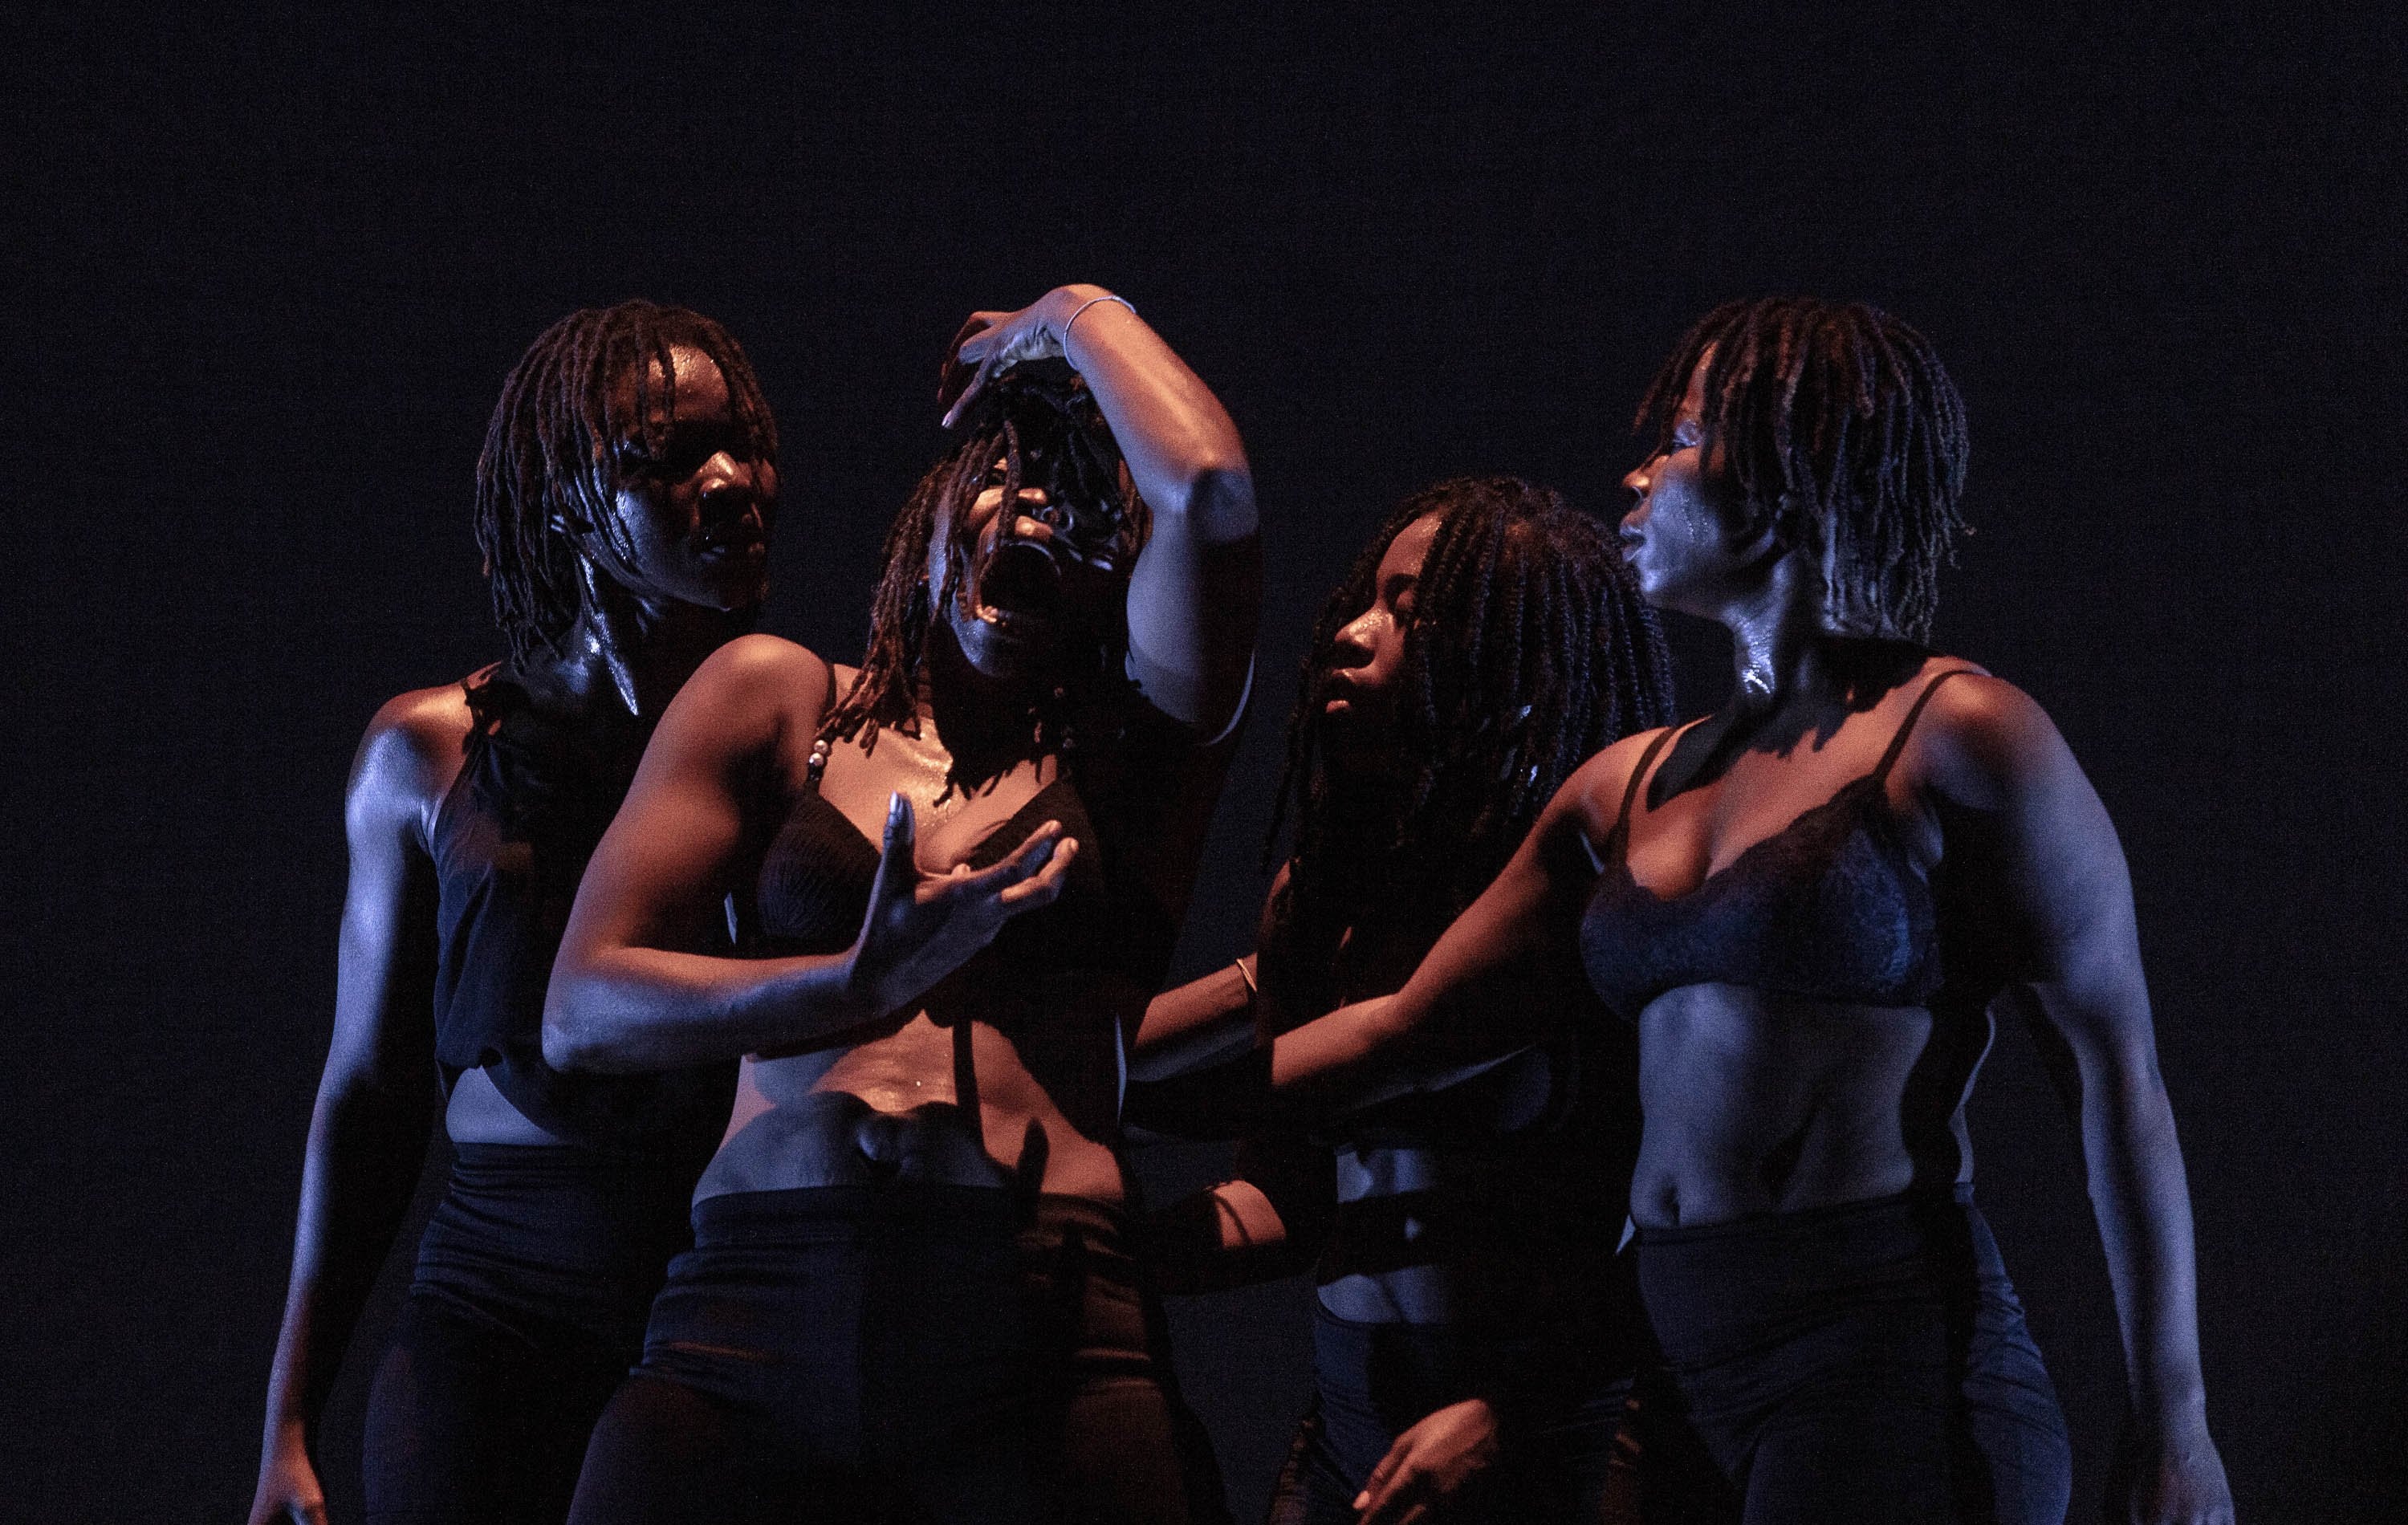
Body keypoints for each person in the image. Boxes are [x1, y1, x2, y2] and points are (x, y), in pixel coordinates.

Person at [1227, 299, 2235, 1523]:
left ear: (1788, 468)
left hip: (1880, 1364)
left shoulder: (1962, 738)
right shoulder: (1629, 786)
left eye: (1686, 438)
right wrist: (1087, 1090)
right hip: (1674, 1374)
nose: (1637, 474)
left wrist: (2173, 1422)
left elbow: (2116, 1080)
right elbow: (1399, 1032)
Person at [546, 284, 1259, 1525]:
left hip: (1035, 1324)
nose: (1036, 513)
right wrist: (854, 986)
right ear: (937, 509)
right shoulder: (776, 698)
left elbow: (1210, 493)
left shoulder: (1135, 756)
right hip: (755, 1306)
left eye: (1086, 512)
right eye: (1007, 482)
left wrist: (1064, 317)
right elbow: (584, 1005)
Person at [247, 301, 782, 1525]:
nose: (731, 482)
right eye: (672, 454)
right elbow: (369, 1094)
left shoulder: (803, 748)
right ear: (564, 501)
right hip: (500, 1317)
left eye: (743, 443)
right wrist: (287, 1418)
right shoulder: (429, 754)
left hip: (736, 1313)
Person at [1129, 476, 1679, 1525]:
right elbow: (1281, 1206)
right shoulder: (1320, 898)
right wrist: (1107, 1265)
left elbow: (1684, 1232)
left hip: (1547, 1435)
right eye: (1363, 600)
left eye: (1408, 610)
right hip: (1349, 1430)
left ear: (1523, 666)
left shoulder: (1584, 912)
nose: (1350, 633)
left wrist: (1516, 1411)